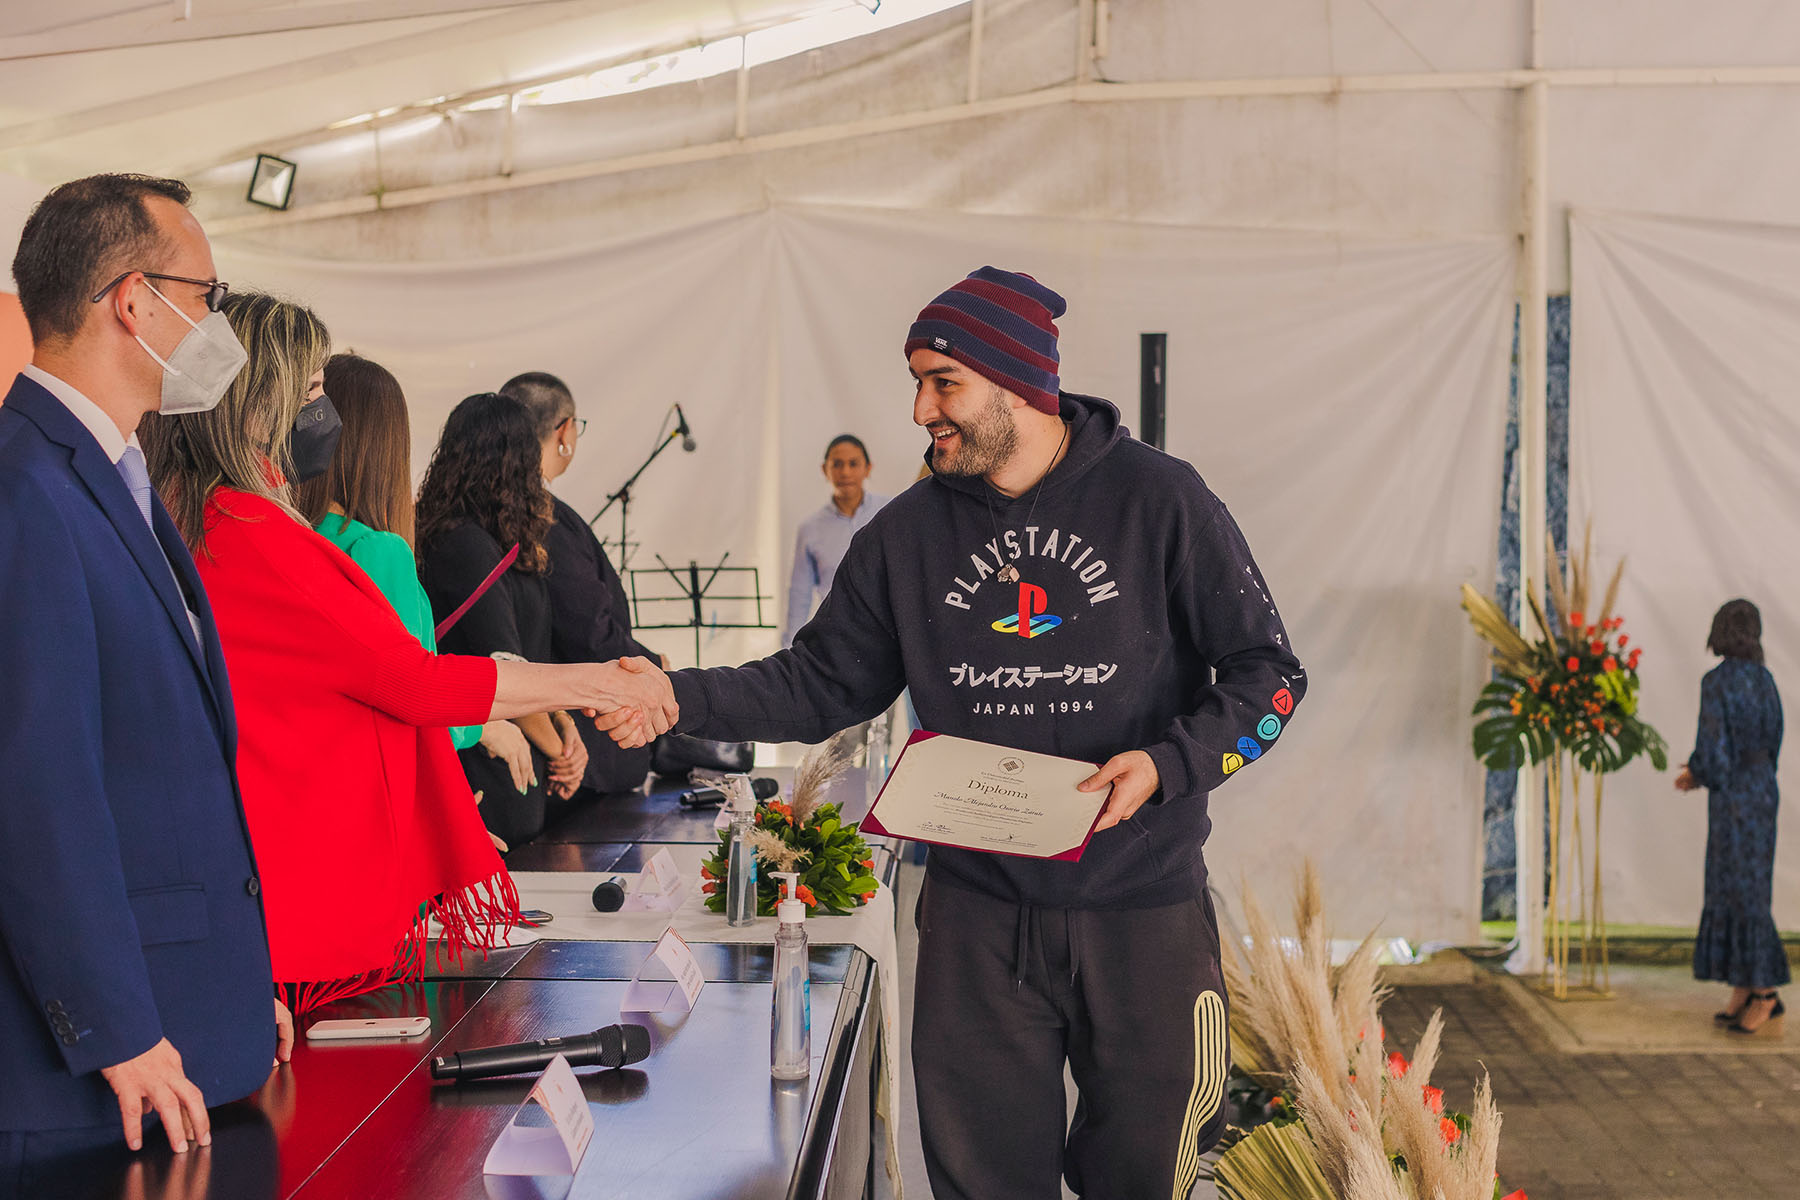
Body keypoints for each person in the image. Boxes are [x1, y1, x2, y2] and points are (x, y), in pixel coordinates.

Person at [641, 266, 1306, 1199]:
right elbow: (815, 682)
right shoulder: (906, 535)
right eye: (916, 382)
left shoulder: (1160, 500)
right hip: (974, 919)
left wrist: (1166, 766)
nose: (919, 409)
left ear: (1018, 384)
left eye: (942, 382)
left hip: (1142, 913)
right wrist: (675, 696)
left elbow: (1270, 677)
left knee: (1146, 1180)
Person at [141, 293, 672, 1012]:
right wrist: (600, 682)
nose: (325, 411)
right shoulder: (249, 530)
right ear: (261, 404)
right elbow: (415, 683)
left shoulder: (203, 515)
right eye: (312, 391)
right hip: (294, 873)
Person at [0, 173, 292, 1184]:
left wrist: (230, 973)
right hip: (88, 1077)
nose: (218, 324)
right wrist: (120, 1025)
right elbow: (39, 791)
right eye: (206, 297)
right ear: (136, 300)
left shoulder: (109, 471)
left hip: (184, 1013)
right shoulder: (27, 488)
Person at [294, 354, 539, 841]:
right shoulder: (376, 550)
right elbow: (411, 697)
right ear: (386, 445)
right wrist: (483, 727)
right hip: (379, 807)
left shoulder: (298, 535)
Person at [416, 391, 597, 845]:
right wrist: (561, 753)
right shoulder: (467, 545)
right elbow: (502, 671)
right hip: (487, 771)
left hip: (509, 763)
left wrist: (564, 723)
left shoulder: (486, 540)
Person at [499, 370, 663, 793]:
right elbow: (589, 632)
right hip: (568, 741)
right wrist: (650, 665)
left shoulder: (491, 507)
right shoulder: (540, 517)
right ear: (565, 431)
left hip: (529, 723)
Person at [1675, 598, 1786, 1034]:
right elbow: (1774, 741)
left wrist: (1693, 774)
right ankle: (1744, 986)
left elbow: (1714, 753)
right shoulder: (1766, 680)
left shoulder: (1716, 682)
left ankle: (1765, 994)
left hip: (1733, 796)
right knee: (1748, 889)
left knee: (1735, 889)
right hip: (1762, 790)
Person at [783, 434, 889, 646]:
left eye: (853, 464)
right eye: (837, 464)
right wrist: (788, 650)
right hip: (836, 637)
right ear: (825, 470)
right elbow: (799, 594)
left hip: (886, 631)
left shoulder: (888, 513)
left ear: (868, 468)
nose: (845, 472)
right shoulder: (810, 528)